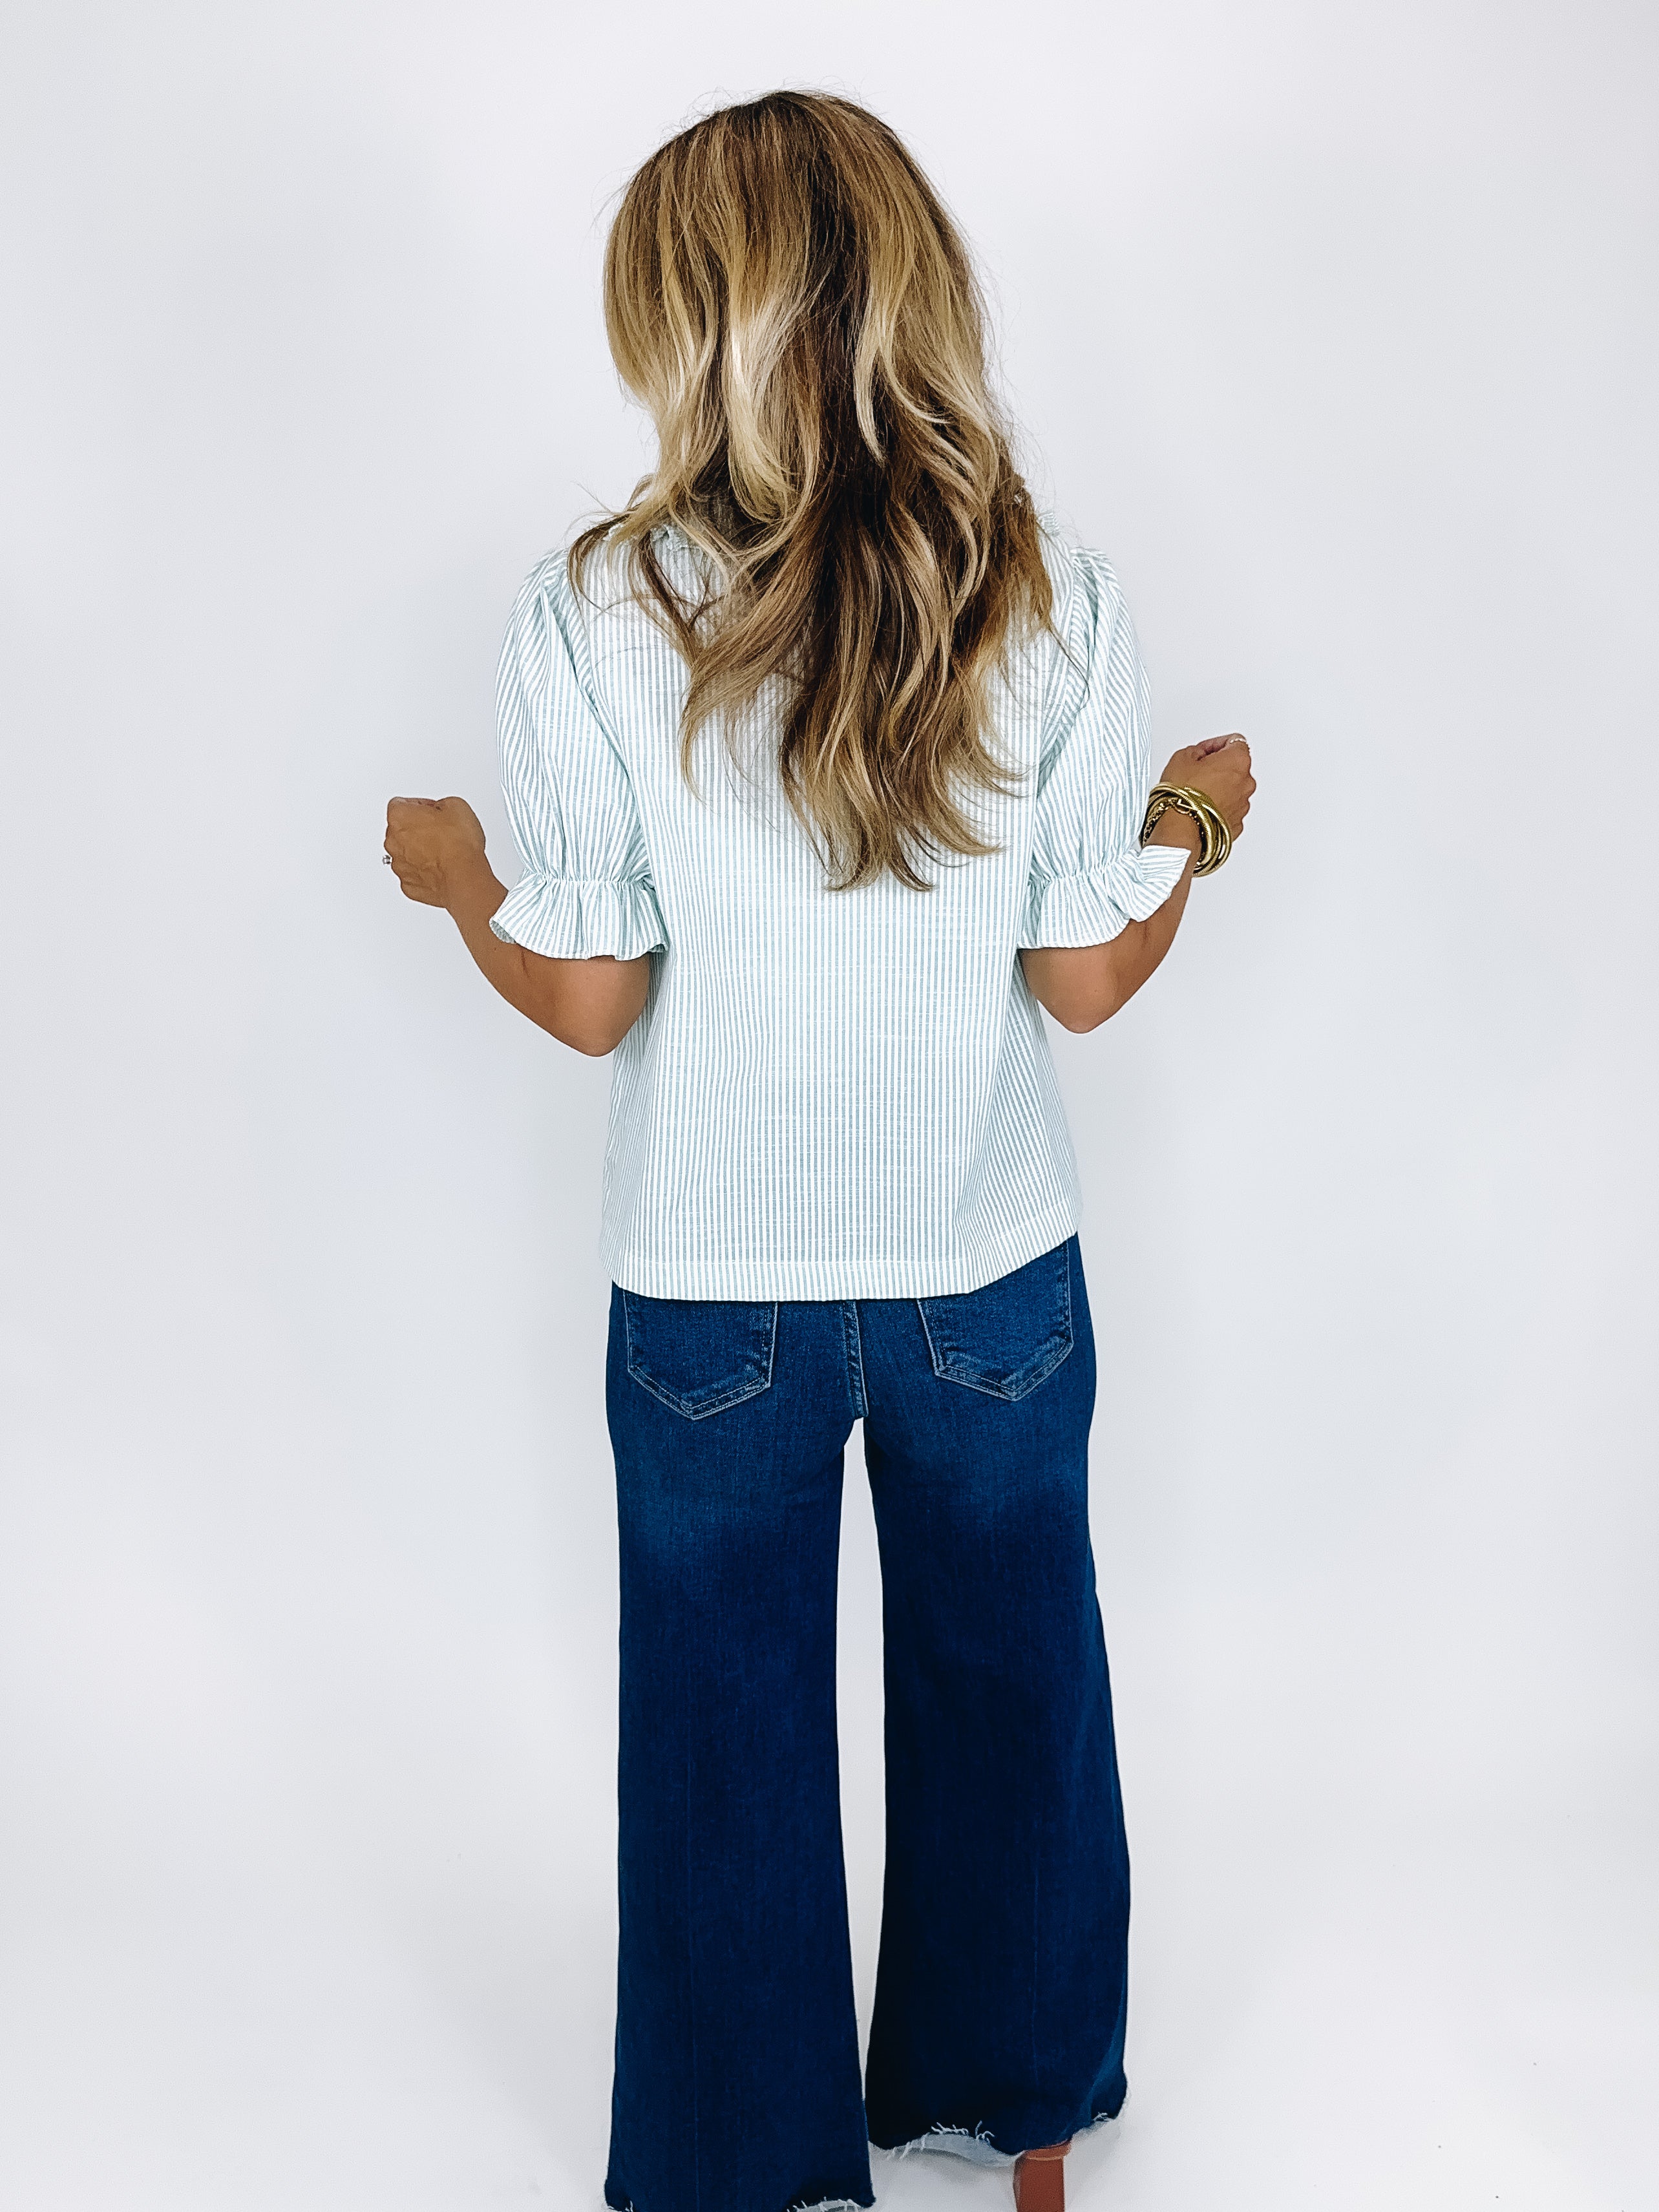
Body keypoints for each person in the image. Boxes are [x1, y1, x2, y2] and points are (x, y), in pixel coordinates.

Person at [384, 89, 1254, 2212]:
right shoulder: (1045, 590)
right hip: (988, 1276)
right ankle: (1018, 2133)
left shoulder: (591, 611)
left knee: (718, 1736)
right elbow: (1084, 981)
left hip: (712, 1297)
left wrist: (458, 880)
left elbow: (595, 1000)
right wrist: (1196, 822)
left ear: (683, 323)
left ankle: (736, 2169)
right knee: (1016, 1696)